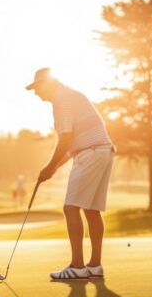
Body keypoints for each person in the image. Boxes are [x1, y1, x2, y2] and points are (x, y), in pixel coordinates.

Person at [26, 68, 115, 280]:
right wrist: (53, 168)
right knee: (92, 210)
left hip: (91, 153)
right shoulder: (71, 95)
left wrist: (49, 167)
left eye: (37, 88)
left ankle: (77, 266)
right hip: (103, 150)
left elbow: (65, 138)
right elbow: (71, 144)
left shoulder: (61, 100)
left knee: (70, 207)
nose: (36, 93)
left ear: (47, 84)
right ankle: (94, 265)